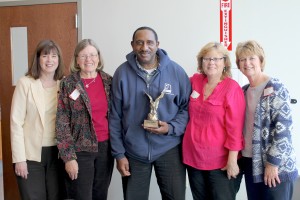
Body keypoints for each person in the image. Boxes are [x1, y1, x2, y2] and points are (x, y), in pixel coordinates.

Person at [109, 26, 191, 200]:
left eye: (149, 42)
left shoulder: (176, 72)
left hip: (169, 148)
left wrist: (171, 127)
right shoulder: (121, 74)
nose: (144, 47)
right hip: (133, 150)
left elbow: (186, 108)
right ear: (132, 45)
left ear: (157, 44)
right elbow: (114, 116)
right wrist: (119, 154)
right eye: (139, 42)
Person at [235, 40, 298, 200]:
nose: (247, 63)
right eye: (242, 60)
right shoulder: (243, 91)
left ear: (261, 61)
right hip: (251, 161)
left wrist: (273, 163)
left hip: (275, 165)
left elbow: (284, 130)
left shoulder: (276, 87)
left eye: (251, 58)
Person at [182, 42, 246, 200]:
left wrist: (232, 160)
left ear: (225, 62)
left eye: (216, 59)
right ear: (201, 62)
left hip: (221, 162)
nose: (211, 62)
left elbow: (236, 129)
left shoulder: (232, 88)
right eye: (207, 58)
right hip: (193, 158)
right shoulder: (194, 81)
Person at [56, 39, 114, 200]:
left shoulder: (109, 81)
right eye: (83, 56)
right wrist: (68, 157)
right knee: (81, 196)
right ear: (76, 59)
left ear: (98, 58)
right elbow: (62, 122)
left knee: (100, 195)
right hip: (80, 150)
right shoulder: (68, 83)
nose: (88, 59)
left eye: (92, 55)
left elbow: (116, 116)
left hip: (105, 148)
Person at [10, 39, 65, 200]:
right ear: (38, 58)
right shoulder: (25, 83)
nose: (50, 60)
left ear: (59, 59)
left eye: (54, 56)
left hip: (58, 153)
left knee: (56, 196)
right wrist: (19, 159)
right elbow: (16, 123)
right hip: (30, 155)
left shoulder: (64, 84)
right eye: (45, 55)